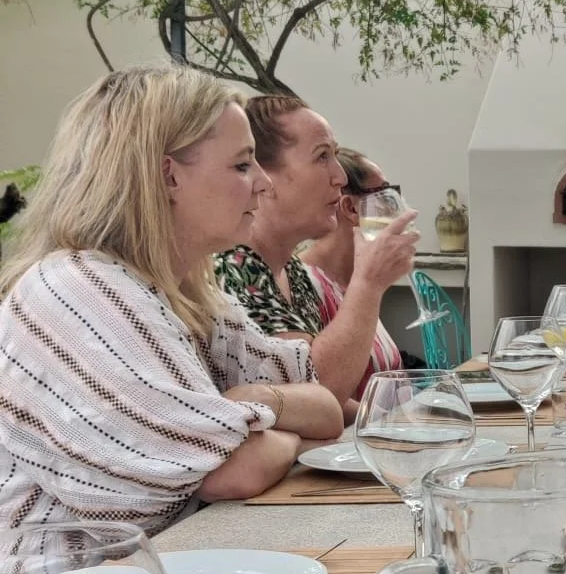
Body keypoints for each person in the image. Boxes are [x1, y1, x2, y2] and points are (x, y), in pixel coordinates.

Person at [0, 69, 343, 543]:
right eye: (242, 165)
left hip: (166, 571)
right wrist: (282, 432)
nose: (263, 183)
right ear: (168, 177)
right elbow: (236, 471)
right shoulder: (76, 289)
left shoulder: (188, 295)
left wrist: (258, 401)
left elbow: (325, 407)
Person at [215, 95, 418, 406]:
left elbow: (326, 399)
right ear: (264, 176)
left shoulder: (293, 272)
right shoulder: (235, 267)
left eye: (334, 155)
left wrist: (398, 422)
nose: (340, 177)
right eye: (322, 156)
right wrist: (368, 283)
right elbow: (317, 390)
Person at [300, 147, 405, 393]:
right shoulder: (304, 283)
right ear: (350, 208)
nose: (401, 210)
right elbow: (318, 387)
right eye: (385, 196)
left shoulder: (354, 283)